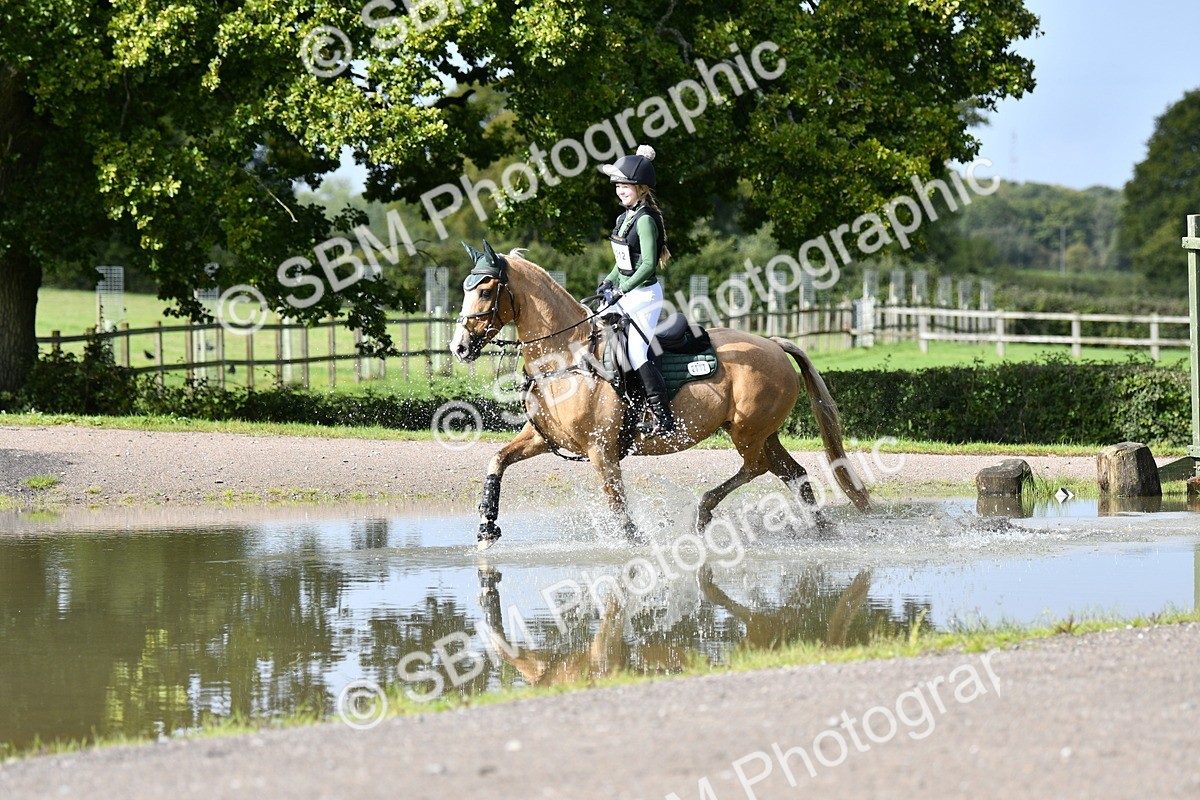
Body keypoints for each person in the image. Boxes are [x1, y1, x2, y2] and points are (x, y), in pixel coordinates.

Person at [596, 144, 675, 435]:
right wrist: (608, 281)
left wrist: (622, 289)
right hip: (626, 291)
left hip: (644, 296)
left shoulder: (644, 220)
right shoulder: (624, 217)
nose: (620, 189)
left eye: (625, 184)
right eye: (617, 184)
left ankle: (663, 417)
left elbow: (648, 265)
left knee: (637, 351)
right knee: (597, 334)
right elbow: (624, 262)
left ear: (641, 188)